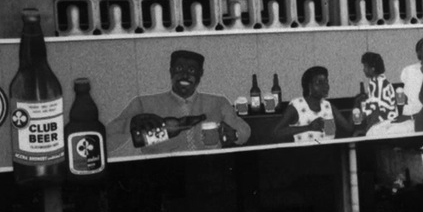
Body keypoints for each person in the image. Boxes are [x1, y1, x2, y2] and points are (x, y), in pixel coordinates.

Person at [108, 50, 252, 155]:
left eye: (191, 70)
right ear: (171, 71)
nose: (185, 75)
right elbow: (108, 141)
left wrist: (235, 135)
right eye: (179, 69)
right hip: (162, 175)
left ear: (200, 74)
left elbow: (244, 129)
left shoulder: (218, 102)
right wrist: (132, 124)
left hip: (208, 170)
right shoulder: (144, 103)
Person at [274, 66, 353, 144]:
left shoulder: (328, 106)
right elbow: (276, 133)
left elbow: (349, 128)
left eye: (326, 82)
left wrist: (356, 105)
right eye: (320, 82)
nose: (326, 86)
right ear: (309, 86)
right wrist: (308, 127)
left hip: (328, 153)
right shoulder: (297, 106)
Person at [357, 51, 413, 135]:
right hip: (386, 120)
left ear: (372, 68)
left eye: (365, 66)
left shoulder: (377, 82)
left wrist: (362, 115)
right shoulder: (379, 81)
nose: (363, 69)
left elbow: (374, 105)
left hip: (384, 122)